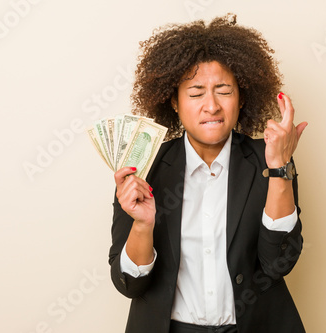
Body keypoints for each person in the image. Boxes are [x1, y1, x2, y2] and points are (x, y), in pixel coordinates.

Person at [108, 14, 308, 333]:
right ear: (174, 101)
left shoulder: (268, 159)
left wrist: (279, 169)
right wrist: (143, 225)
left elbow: (278, 264)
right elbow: (129, 285)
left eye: (224, 90)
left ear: (241, 97)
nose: (211, 106)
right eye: (196, 92)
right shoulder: (144, 165)